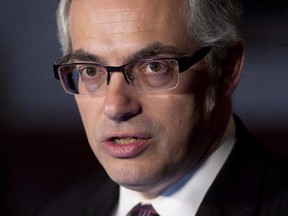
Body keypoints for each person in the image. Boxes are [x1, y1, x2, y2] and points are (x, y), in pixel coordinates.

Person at [33, 0, 288, 215]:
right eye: (90, 70)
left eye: (154, 66)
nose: (115, 106)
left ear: (225, 69)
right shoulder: (58, 209)